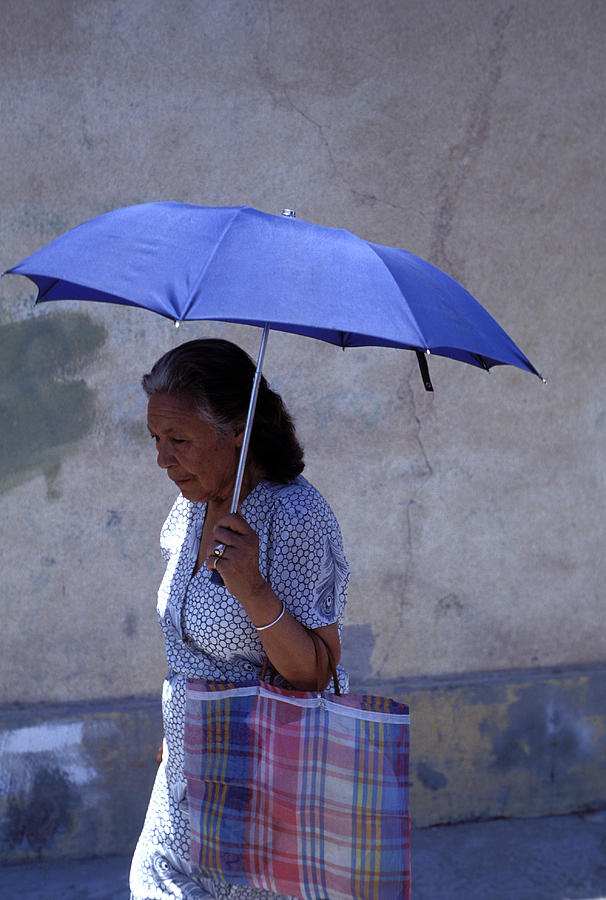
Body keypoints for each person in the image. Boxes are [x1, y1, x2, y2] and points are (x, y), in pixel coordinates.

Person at [130, 338, 349, 900]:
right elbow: (190, 644)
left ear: (238, 430)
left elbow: (315, 673)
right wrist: (174, 732)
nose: (162, 458)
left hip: (263, 793)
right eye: (156, 439)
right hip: (184, 781)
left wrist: (251, 587)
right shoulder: (188, 509)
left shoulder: (296, 515)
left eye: (179, 440)